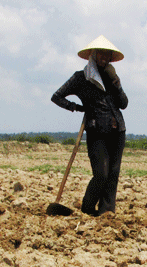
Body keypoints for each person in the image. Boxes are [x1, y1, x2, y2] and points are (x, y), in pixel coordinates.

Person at [52, 35, 129, 216]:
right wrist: (77, 108)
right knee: (101, 174)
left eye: (107, 55)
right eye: (100, 55)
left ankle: (106, 213)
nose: (104, 58)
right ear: (92, 56)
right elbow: (57, 96)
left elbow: (124, 104)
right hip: (96, 131)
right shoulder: (81, 78)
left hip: (118, 131)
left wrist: (117, 82)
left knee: (113, 175)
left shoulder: (112, 78)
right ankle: (87, 207)